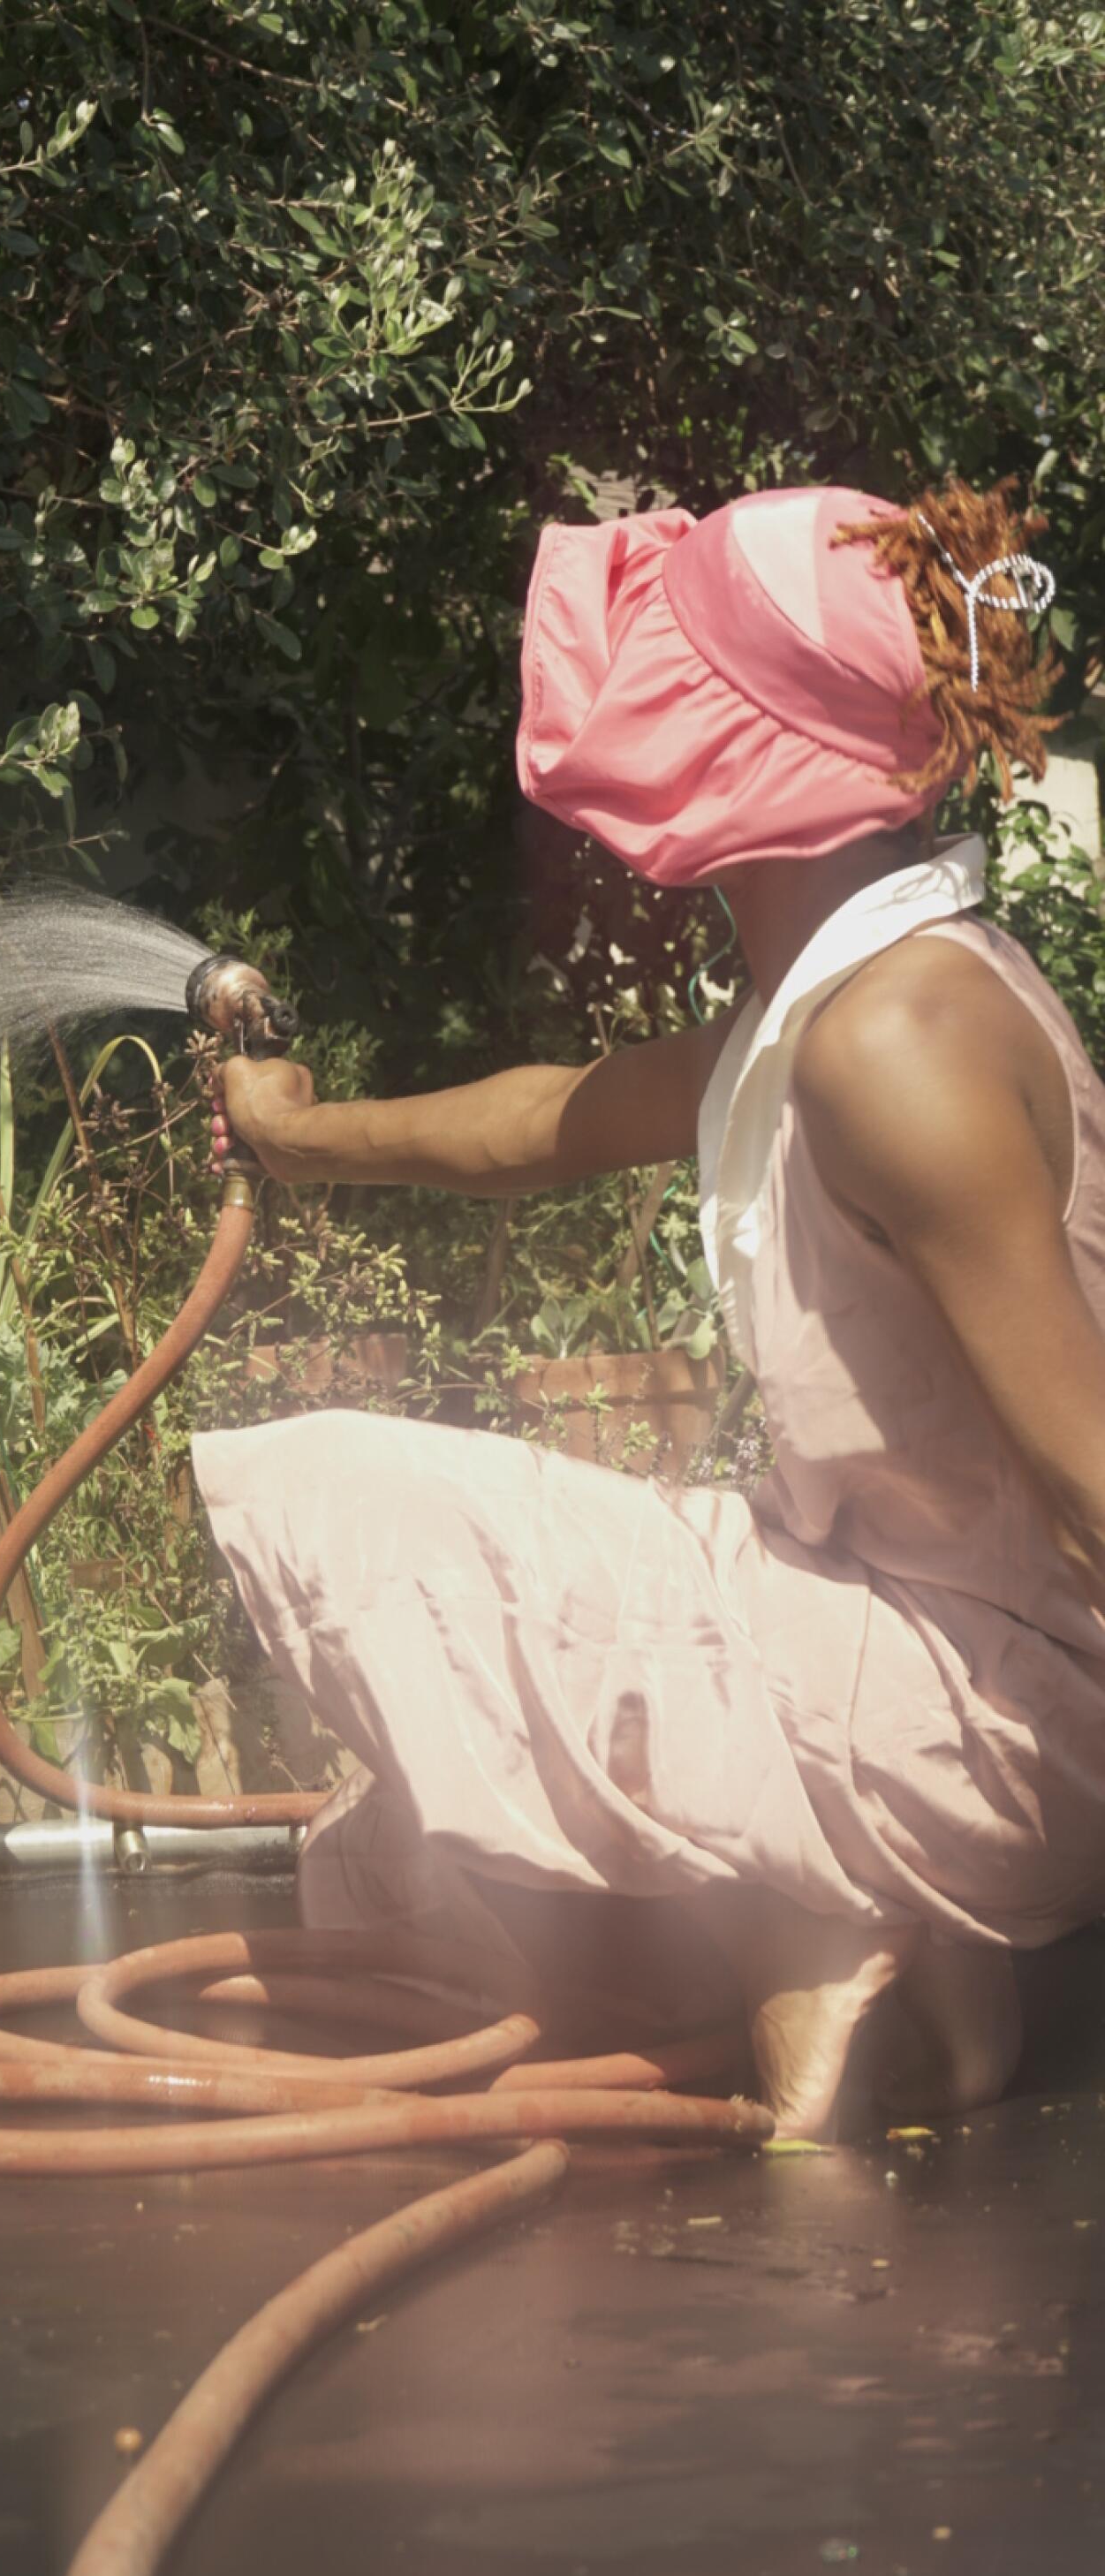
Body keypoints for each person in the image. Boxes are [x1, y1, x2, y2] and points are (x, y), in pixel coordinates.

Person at [193, 475, 1105, 2140]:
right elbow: (545, 1121)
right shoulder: (839, 996)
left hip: (993, 1731)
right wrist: (294, 1134)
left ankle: (889, 1953)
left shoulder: (891, 1045)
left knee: (349, 1491)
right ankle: (884, 1953)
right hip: (925, 1661)